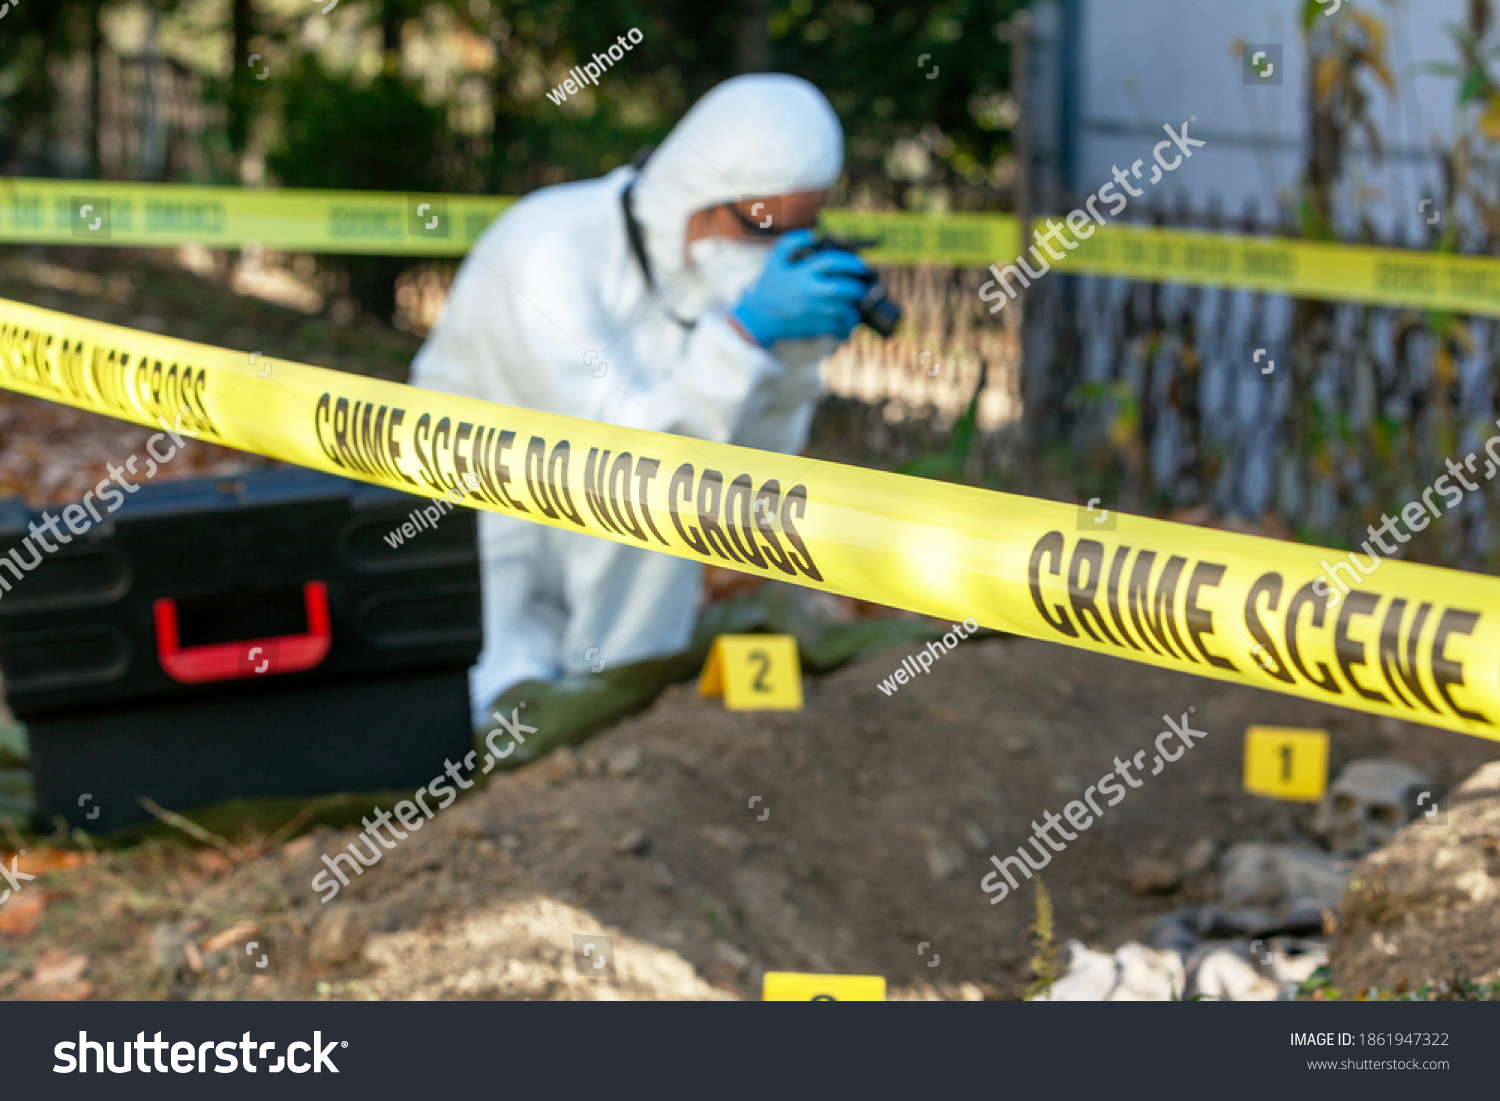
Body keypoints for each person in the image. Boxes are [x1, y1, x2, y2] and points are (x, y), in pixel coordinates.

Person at [409, 73, 874, 748]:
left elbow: (754, 463)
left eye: (798, 229)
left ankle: (616, 724)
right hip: (480, 523)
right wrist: (743, 340)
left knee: (648, 567)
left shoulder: (700, 268)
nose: (771, 252)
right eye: (758, 224)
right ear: (695, 194)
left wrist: (795, 358)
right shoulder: (547, 253)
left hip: (585, 532)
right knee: (491, 709)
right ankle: (581, 732)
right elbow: (631, 447)